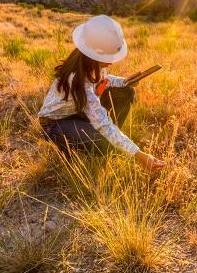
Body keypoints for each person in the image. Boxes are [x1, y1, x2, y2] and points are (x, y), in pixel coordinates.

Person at [38, 14, 165, 173]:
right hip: (54, 124)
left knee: (126, 92)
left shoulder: (88, 62)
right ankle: (72, 143)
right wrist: (139, 155)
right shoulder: (79, 82)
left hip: (78, 112)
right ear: (92, 56)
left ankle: (114, 136)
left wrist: (124, 81)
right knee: (105, 146)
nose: (111, 62)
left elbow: (104, 80)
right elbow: (101, 120)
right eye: (106, 57)